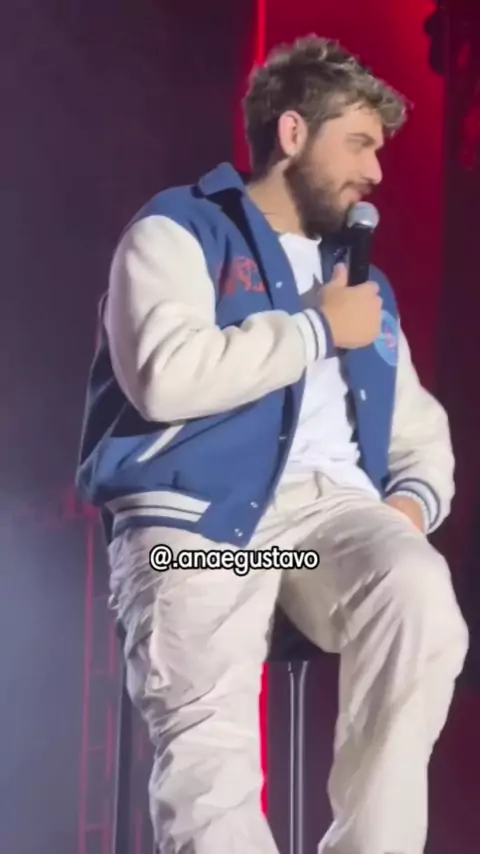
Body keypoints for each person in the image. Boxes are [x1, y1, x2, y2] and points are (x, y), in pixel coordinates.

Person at [76, 35, 468, 854]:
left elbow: (420, 432)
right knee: (208, 746)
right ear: (293, 133)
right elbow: (165, 376)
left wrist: (407, 503)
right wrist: (315, 329)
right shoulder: (178, 230)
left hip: (327, 522)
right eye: (358, 144)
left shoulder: (361, 285)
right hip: (198, 522)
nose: (376, 172)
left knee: (419, 596)